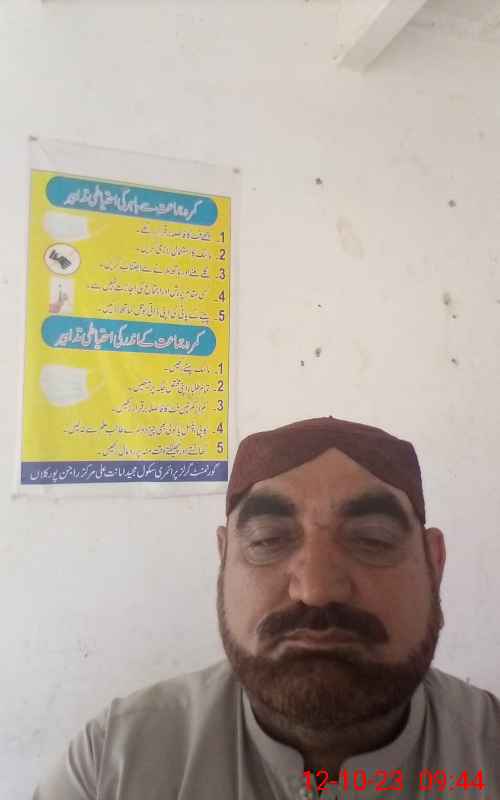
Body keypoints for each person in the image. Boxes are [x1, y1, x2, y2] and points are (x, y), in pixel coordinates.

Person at [34, 416, 500, 799]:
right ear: (224, 561)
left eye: (373, 539)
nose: (316, 589)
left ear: (434, 564)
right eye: (267, 540)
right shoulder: (114, 764)